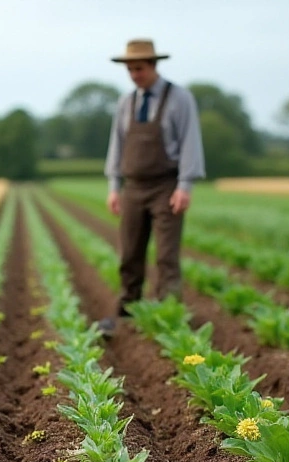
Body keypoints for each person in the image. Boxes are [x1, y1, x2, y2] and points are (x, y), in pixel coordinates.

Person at [98, 38, 205, 337]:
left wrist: (185, 186)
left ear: (154, 65)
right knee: (130, 253)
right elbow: (116, 145)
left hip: (166, 186)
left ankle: (168, 316)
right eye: (130, 69)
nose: (135, 74)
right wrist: (114, 186)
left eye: (139, 68)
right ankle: (128, 312)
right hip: (133, 187)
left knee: (166, 256)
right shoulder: (126, 102)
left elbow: (190, 143)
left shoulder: (179, 98)